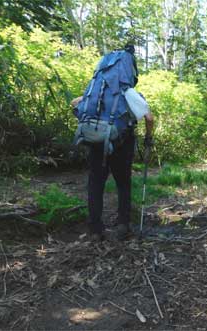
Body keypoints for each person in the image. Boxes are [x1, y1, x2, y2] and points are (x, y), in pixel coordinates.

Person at [70, 46, 154, 242]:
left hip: (96, 143)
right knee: (123, 184)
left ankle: (94, 229)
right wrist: (149, 138)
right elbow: (149, 118)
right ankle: (123, 225)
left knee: (95, 184)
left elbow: (74, 103)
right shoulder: (129, 93)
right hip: (121, 145)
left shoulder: (95, 91)